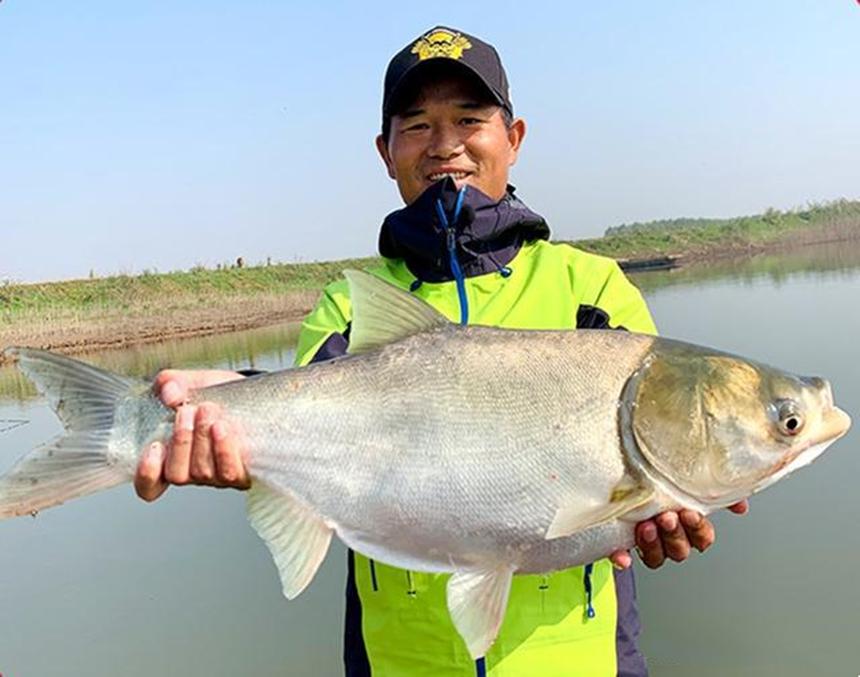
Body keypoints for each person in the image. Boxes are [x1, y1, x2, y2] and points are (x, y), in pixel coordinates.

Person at [134, 26, 748, 676]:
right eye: (419, 124)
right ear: (385, 150)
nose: (446, 143)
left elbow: (642, 468)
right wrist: (220, 408)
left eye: (469, 118)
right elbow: (314, 403)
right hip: (400, 661)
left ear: (514, 138)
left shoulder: (591, 290)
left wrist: (670, 511)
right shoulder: (349, 303)